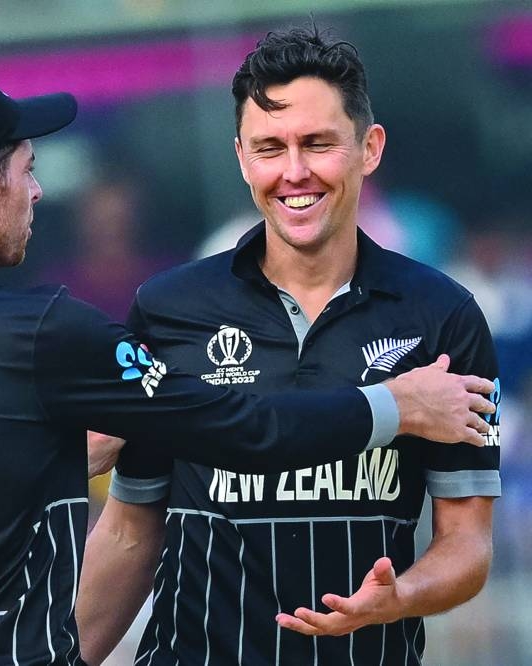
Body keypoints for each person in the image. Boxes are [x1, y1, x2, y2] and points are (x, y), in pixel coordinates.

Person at [0, 53, 495, 665]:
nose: (40, 189)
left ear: (368, 147)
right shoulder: (44, 334)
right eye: (27, 167)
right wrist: (394, 406)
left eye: (317, 142)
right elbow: (241, 431)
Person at [77, 26, 502, 666]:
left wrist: (401, 596)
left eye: (318, 144)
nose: (294, 172)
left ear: (369, 148)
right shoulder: (169, 311)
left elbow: (468, 543)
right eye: (269, 147)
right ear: (243, 158)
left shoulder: (444, 317)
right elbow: (134, 528)